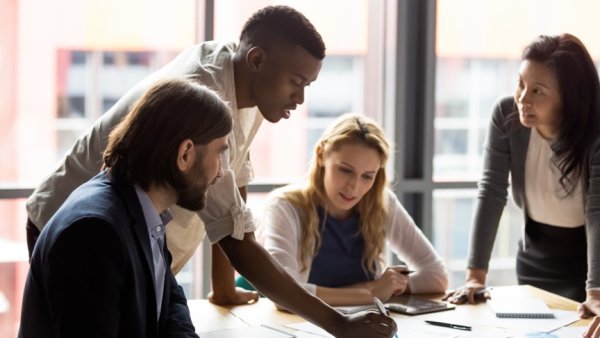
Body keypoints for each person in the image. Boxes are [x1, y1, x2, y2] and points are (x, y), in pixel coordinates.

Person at [24, 6, 398, 337]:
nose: (300, 99)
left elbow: (234, 187)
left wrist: (224, 288)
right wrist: (339, 325)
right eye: (296, 82)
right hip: (87, 231)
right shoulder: (206, 95)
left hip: (137, 233)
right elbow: (237, 241)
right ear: (256, 59)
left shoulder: (245, 80)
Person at [19, 79, 232, 337]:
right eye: (219, 154)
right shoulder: (94, 232)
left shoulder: (143, 209)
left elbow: (170, 302)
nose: (220, 172)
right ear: (185, 154)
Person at [445, 33, 600, 321]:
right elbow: (491, 191)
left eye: (538, 91)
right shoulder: (506, 115)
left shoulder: (595, 132)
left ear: (570, 97)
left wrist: (596, 292)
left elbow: (597, 211)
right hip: (535, 257)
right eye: (520, 83)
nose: (522, 99)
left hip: (592, 265)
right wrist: (475, 277)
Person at [258, 114, 448, 306]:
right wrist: (371, 293)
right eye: (345, 170)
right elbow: (284, 294)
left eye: (367, 176)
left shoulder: (381, 203)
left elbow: (437, 277)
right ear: (321, 155)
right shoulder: (284, 208)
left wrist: (388, 286)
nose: (354, 187)